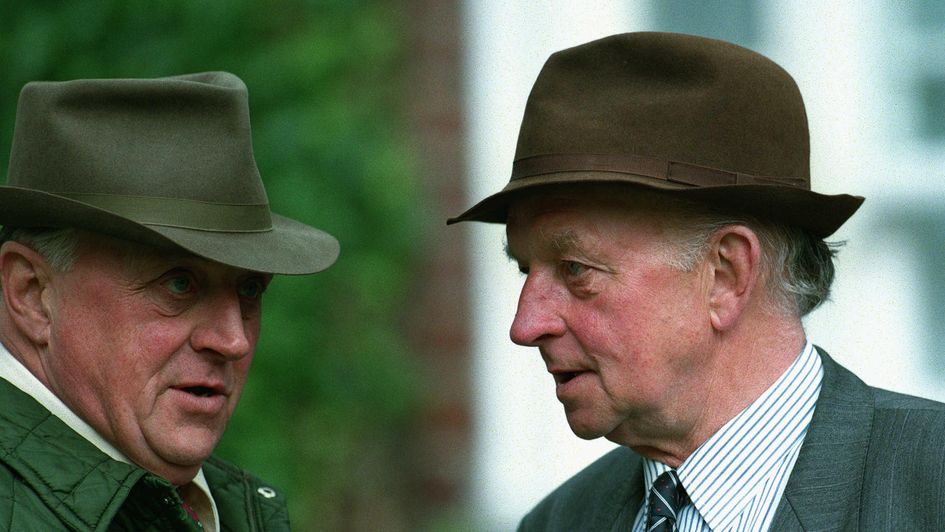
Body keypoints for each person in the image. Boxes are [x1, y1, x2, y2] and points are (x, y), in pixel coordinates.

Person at [448, 32, 945, 531]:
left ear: (726, 275)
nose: (525, 324)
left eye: (576, 269)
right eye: (524, 268)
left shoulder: (930, 486)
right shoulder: (559, 522)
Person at [0, 72, 339, 530]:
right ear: (32, 295)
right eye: (178, 284)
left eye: (250, 288)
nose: (233, 340)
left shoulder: (216, 506)